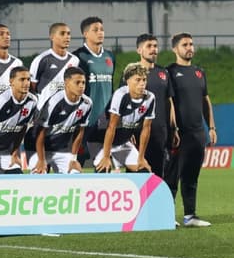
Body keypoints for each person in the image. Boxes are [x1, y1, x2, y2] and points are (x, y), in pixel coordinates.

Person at [165, 33, 215, 227]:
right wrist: (174, 128)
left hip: (197, 133)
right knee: (172, 177)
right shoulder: (169, 72)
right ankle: (167, 215)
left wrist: (211, 126)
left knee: (191, 176)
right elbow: (168, 102)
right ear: (175, 49)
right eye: (185, 44)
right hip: (179, 134)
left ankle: (190, 216)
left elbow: (206, 100)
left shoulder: (199, 72)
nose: (189, 47)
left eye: (191, 44)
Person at [120, 34, 175, 179]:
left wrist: (174, 128)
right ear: (139, 50)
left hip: (159, 133)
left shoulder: (163, 73)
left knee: (157, 177)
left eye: (155, 46)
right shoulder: (130, 73)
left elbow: (169, 102)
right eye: (149, 46)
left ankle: (154, 202)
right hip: (136, 133)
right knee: (135, 176)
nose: (153, 49)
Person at [25, 22, 80, 166]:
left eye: (68, 34)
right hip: (44, 117)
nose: (67, 37)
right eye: (62, 33)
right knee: (41, 168)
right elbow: (32, 87)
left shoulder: (74, 60)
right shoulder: (42, 60)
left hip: (64, 117)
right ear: (52, 37)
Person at [87, 62, 155, 174]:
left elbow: (146, 129)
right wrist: (106, 156)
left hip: (122, 142)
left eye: (144, 80)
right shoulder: (120, 95)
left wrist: (141, 157)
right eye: (138, 80)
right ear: (128, 81)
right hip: (100, 141)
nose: (142, 84)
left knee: (144, 172)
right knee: (103, 169)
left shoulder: (150, 98)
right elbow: (111, 127)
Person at [32, 66, 92, 174]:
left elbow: (80, 131)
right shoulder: (54, 102)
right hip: (41, 149)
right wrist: (41, 160)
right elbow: (40, 132)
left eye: (83, 82)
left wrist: (73, 159)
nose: (81, 86)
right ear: (66, 82)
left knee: (75, 175)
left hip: (62, 150)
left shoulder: (87, 103)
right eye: (77, 82)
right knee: (38, 177)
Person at [0, 66, 38, 174]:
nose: (26, 83)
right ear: (11, 81)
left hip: (5, 149)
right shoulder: (2, 100)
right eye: (22, 79)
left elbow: (23, 127)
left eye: (28, 79)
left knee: (17, 178)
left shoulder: (33, 101)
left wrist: (15, 152)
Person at [73, 16, 115, 165]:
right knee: (77, 163)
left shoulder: (110, 56)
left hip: (105, 120)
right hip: (84, 119)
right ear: (85, 34)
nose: (100, 32)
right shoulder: (77, 57)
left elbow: (111, 87)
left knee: (104, 162)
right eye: (95, 30)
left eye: (102, 29)